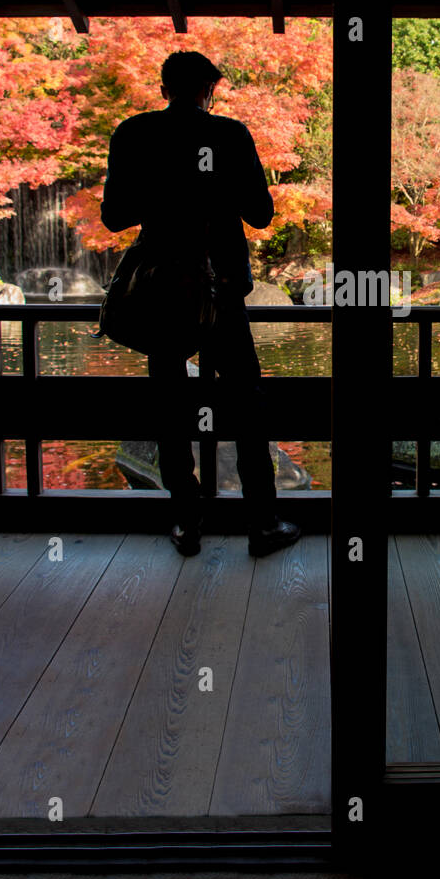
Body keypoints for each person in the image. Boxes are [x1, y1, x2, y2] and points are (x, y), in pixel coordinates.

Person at [100, 49, 301, 559]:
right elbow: (259, 213)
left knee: (170, 404)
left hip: (163, 290)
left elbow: (113, 218)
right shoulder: (229, 135)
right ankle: (262, 523)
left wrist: (161, 194)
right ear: (209, 90)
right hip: (222, 286)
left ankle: (188, 523)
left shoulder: (132, 133)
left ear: (164, 88)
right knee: (247, 405)